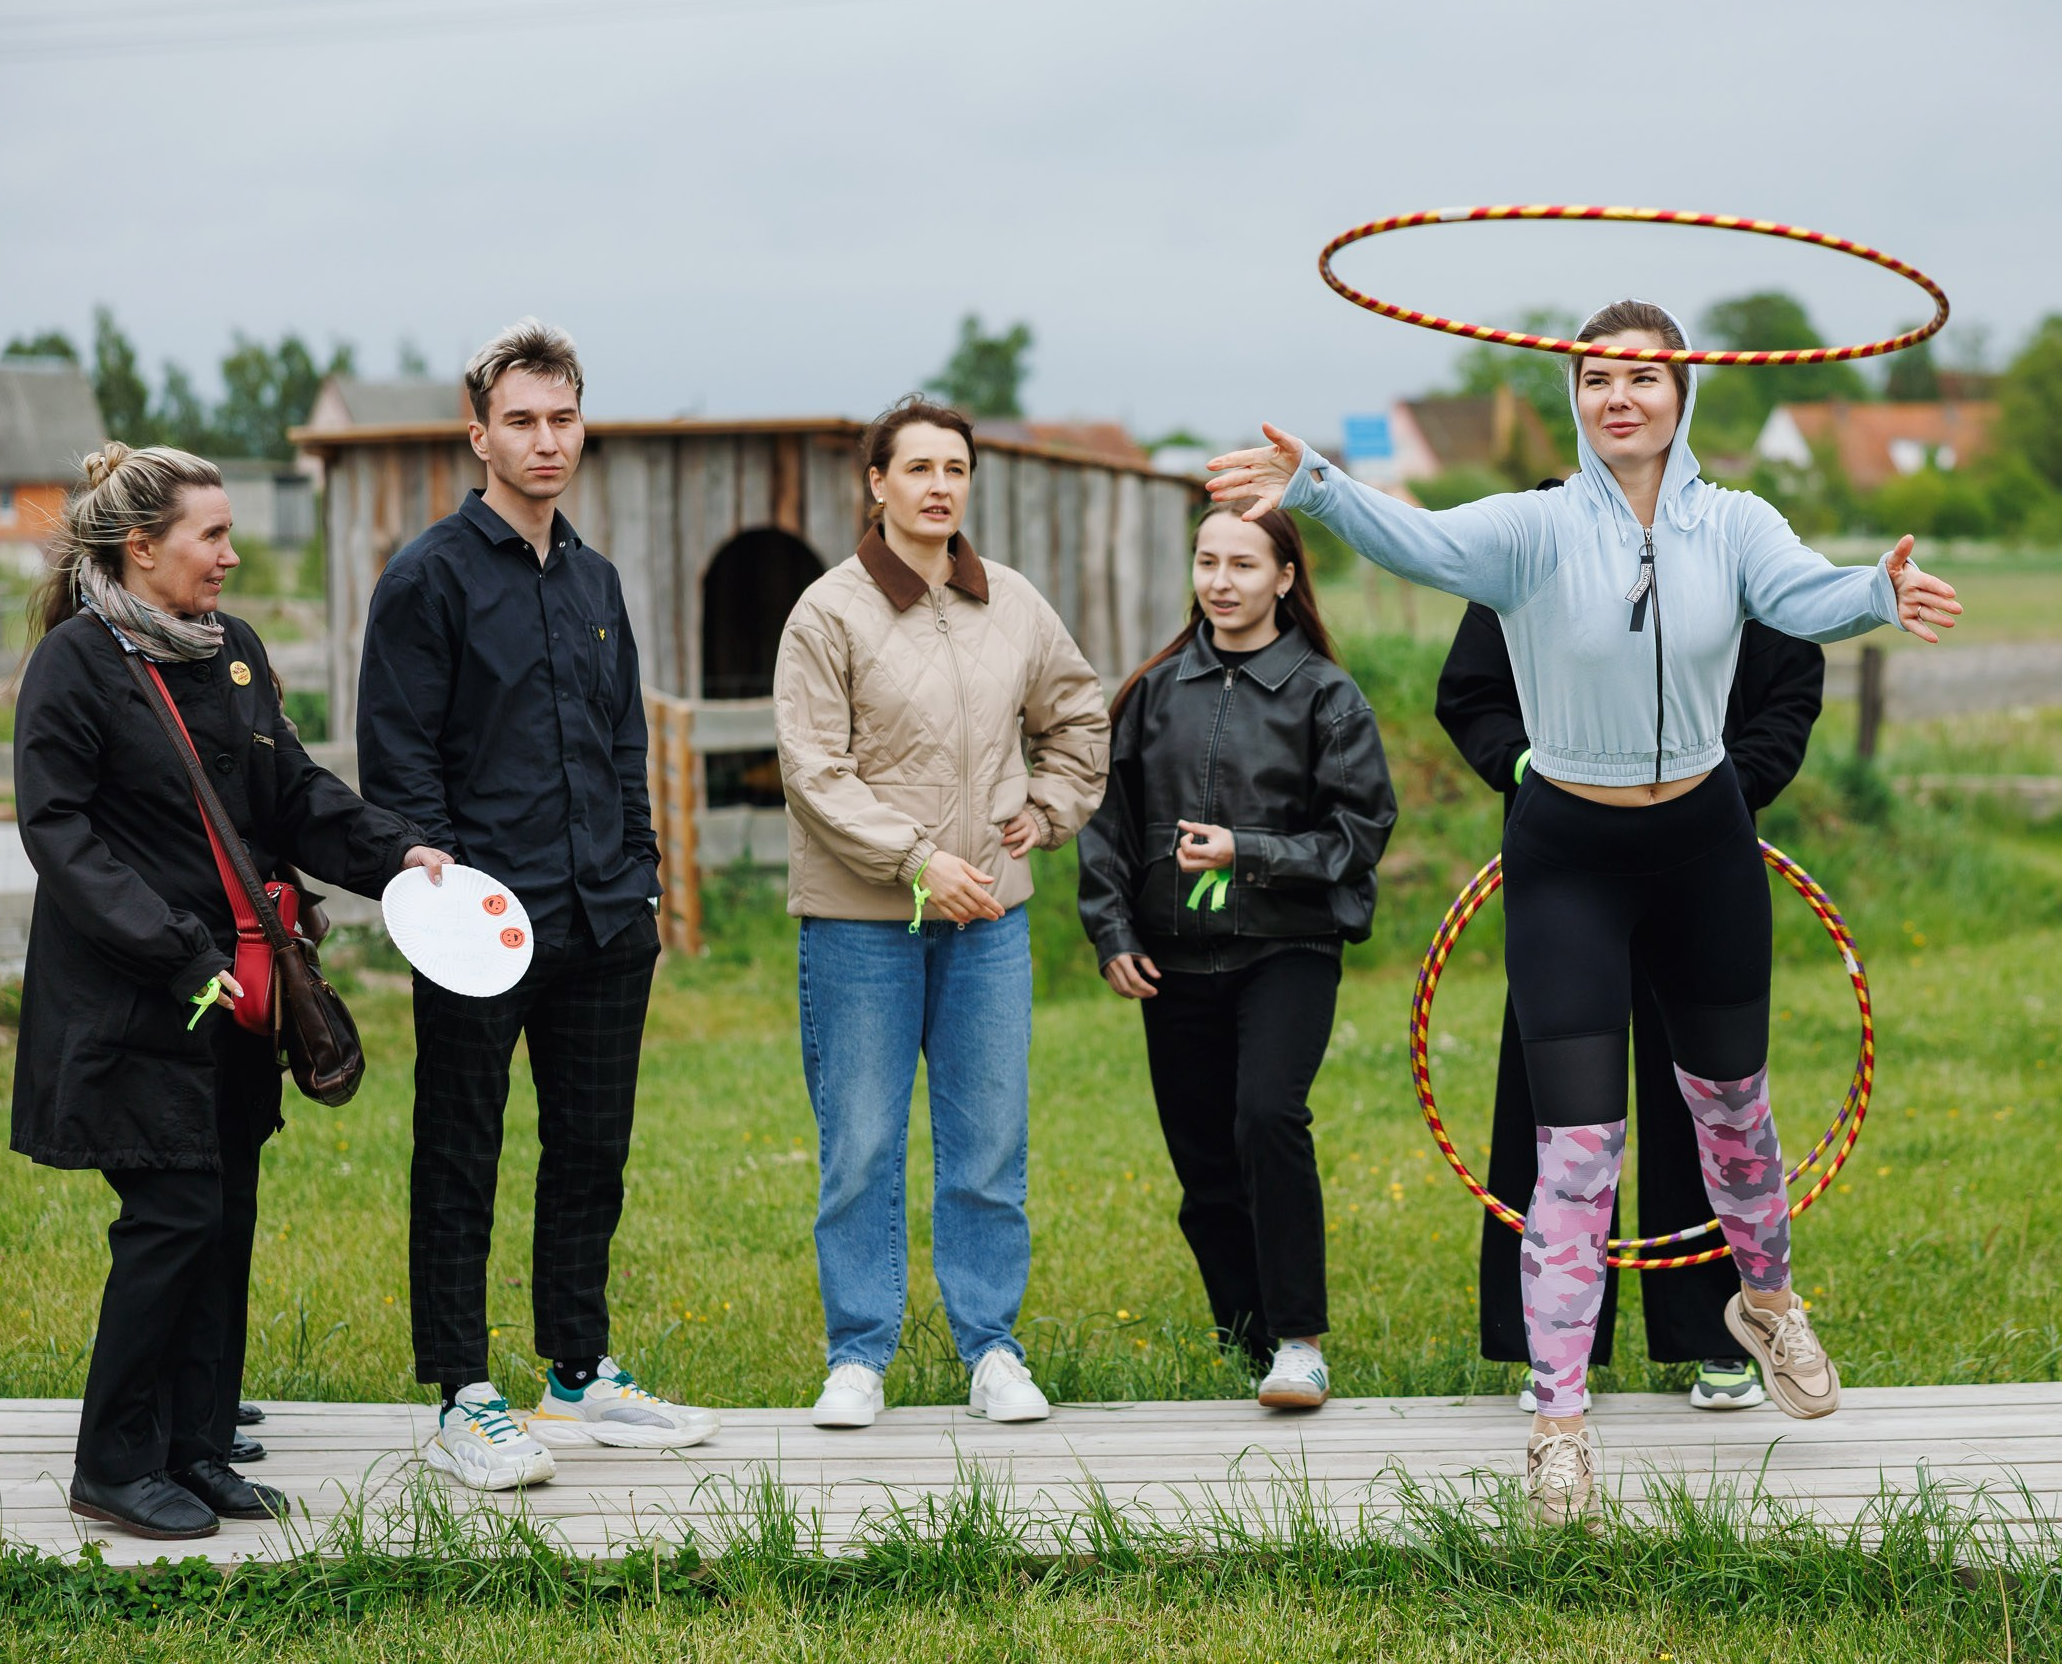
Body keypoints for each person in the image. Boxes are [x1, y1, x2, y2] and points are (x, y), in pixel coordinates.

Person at [1208, 299, 1962, 1521]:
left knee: (1735, 1118)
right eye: (1598, 377)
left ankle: (1765, 1302)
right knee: (1576, 1150)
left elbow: (1805, 601)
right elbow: (1419, 542)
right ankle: (1559, 1423)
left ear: (1684, 394)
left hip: (1703, 844)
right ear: (1575, 395)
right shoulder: (1535, 528)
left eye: (1643, 377)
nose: (1621, 396)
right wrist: (1321, 488)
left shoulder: (1735, 523)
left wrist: (1877, 588)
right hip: (1569, 849)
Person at [14, 443, 449, 1540]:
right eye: (211, 535)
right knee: (171, 1215)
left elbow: (291, 794)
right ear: (141, 545)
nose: (232, 553)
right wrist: (173, 950)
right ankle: (114, 1460)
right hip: (134, 999)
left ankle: (197, 1448)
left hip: (239, 999)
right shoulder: (75, 662)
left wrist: (397, 852)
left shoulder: (234, 653)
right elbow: (58, 834)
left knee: (225, 1214)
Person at [358, 320, 717, 1491]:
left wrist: (644, 875)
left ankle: (577, 1372)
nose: (545, 438)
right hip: (480, 928)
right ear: (480, 434)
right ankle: (465, 1390)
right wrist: (448, 901)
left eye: (563, 417)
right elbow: (400, 764)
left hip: (605, 919)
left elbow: (625, 744)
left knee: (591, 1151)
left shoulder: (598, 579)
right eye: (521, 419)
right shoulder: (427, 579)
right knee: (461, 1151)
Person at [774, 395, 1108, 1429]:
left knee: (988, 1144)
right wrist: (920, 861)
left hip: (990, 928)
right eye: (915, 467)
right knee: (862, 1143)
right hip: (859, 925)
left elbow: (1079, 712)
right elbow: (812, 771)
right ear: (875, 483)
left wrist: (1048, 808)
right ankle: (858, 1354)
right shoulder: (827, 613)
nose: (936, 485)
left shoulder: (1010, 600)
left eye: (953, 468)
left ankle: (992, 1349)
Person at [1438, 587, 1824, 1415]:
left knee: (1711, 1103)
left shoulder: (1731, 539)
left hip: (1701, 864)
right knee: (1559, 1116)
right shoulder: (1540, 532)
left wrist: (1721, 793)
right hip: (1568, 868)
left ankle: (1721, 1337)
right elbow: (1469, 690)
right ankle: (1547, 1358)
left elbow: (1792, 688)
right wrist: (1528, 771)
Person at [1077, 506, 1396, 1410]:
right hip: (1173, 959)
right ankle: (1244, 1339)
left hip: (1286, 946)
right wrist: (1114, 932)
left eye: (1244, 564)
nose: (1222, 581)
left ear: (1285, 578)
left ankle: (1299, 1342)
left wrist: (1247, 851)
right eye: (1207, 561)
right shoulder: (1151, 690)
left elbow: (1359, 831)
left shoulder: (1326, 695)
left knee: (1266, 1116)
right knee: (1204, 1161)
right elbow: (1105, 822)